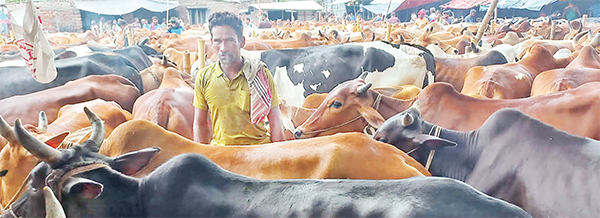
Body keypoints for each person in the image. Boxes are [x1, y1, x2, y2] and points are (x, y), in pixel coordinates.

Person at [193, 12, 284, 145]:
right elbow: (199, 124)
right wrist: (201, 160)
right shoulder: (204, 77)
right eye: (218, 41)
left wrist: (279, 158)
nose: (223, 48)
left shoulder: (260, 74)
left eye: (229, 41)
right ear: (212, 42)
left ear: (242, 42)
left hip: (258, 152)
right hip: (222, 153)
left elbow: (275, 121)